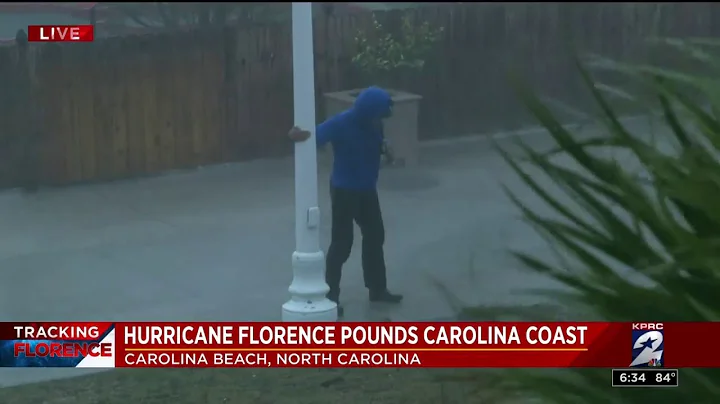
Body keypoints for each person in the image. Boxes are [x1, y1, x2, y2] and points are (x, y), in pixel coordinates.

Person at [288, 86, 403, 317]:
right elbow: (313, 135)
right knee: (342, 244)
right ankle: (331, 297)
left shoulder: (374, 123)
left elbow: (379, 143)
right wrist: (297, 136)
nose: (380, 120)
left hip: (367, 189)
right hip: (344, 190)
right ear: (368, 112)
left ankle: (377, 289)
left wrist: (387, 152)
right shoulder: (341, 123)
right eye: (378, 115)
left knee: (375, 236)